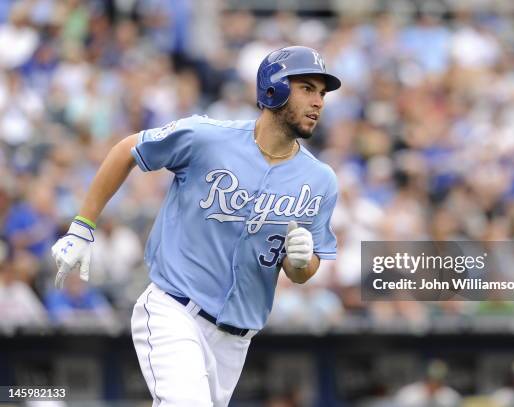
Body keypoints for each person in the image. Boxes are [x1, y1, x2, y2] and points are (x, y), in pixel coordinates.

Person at [50, 45, 340, 406]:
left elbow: (302, 273)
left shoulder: (321, 179)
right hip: (175, 309)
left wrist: (301, 262)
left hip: (235, 340)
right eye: (307, 88)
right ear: (273, 88)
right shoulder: (207, 137)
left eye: (323, 93)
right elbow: (128, 149)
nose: (318, 102)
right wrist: (82, 226)